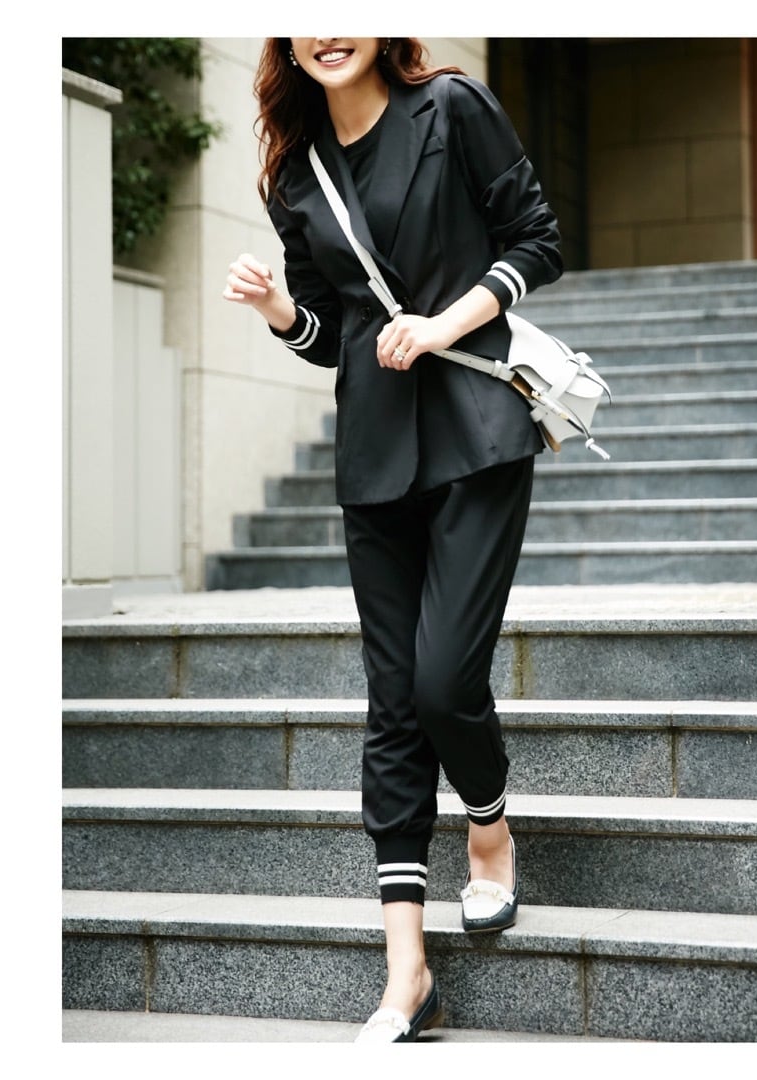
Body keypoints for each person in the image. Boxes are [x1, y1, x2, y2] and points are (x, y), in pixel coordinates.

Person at [222, 36, 563, 1043]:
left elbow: (537, 240)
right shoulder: (294, 172)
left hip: (479, 432)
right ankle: (405, 973)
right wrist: (280, 310)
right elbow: (333, 334)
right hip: (375, 458)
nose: (329, 31)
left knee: (443, 680)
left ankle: (490, 830)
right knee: (392, 699)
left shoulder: (452, 107)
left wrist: (444, 324)